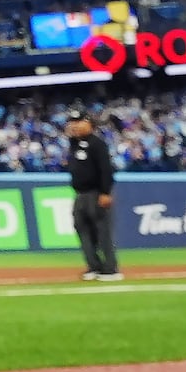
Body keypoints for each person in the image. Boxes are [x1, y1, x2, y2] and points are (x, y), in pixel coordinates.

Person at [65, 110, 122, 282]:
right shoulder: (74, 144)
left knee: (102, 231)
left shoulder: (98, 144)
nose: (74, 125)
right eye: (72, 122)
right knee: (82, 230)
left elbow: (106, 170)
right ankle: (94, 266)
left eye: (79, 121)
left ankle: (110, 269)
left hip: (96, 193)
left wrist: (105, 192)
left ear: (89, 123)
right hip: (80, 194)